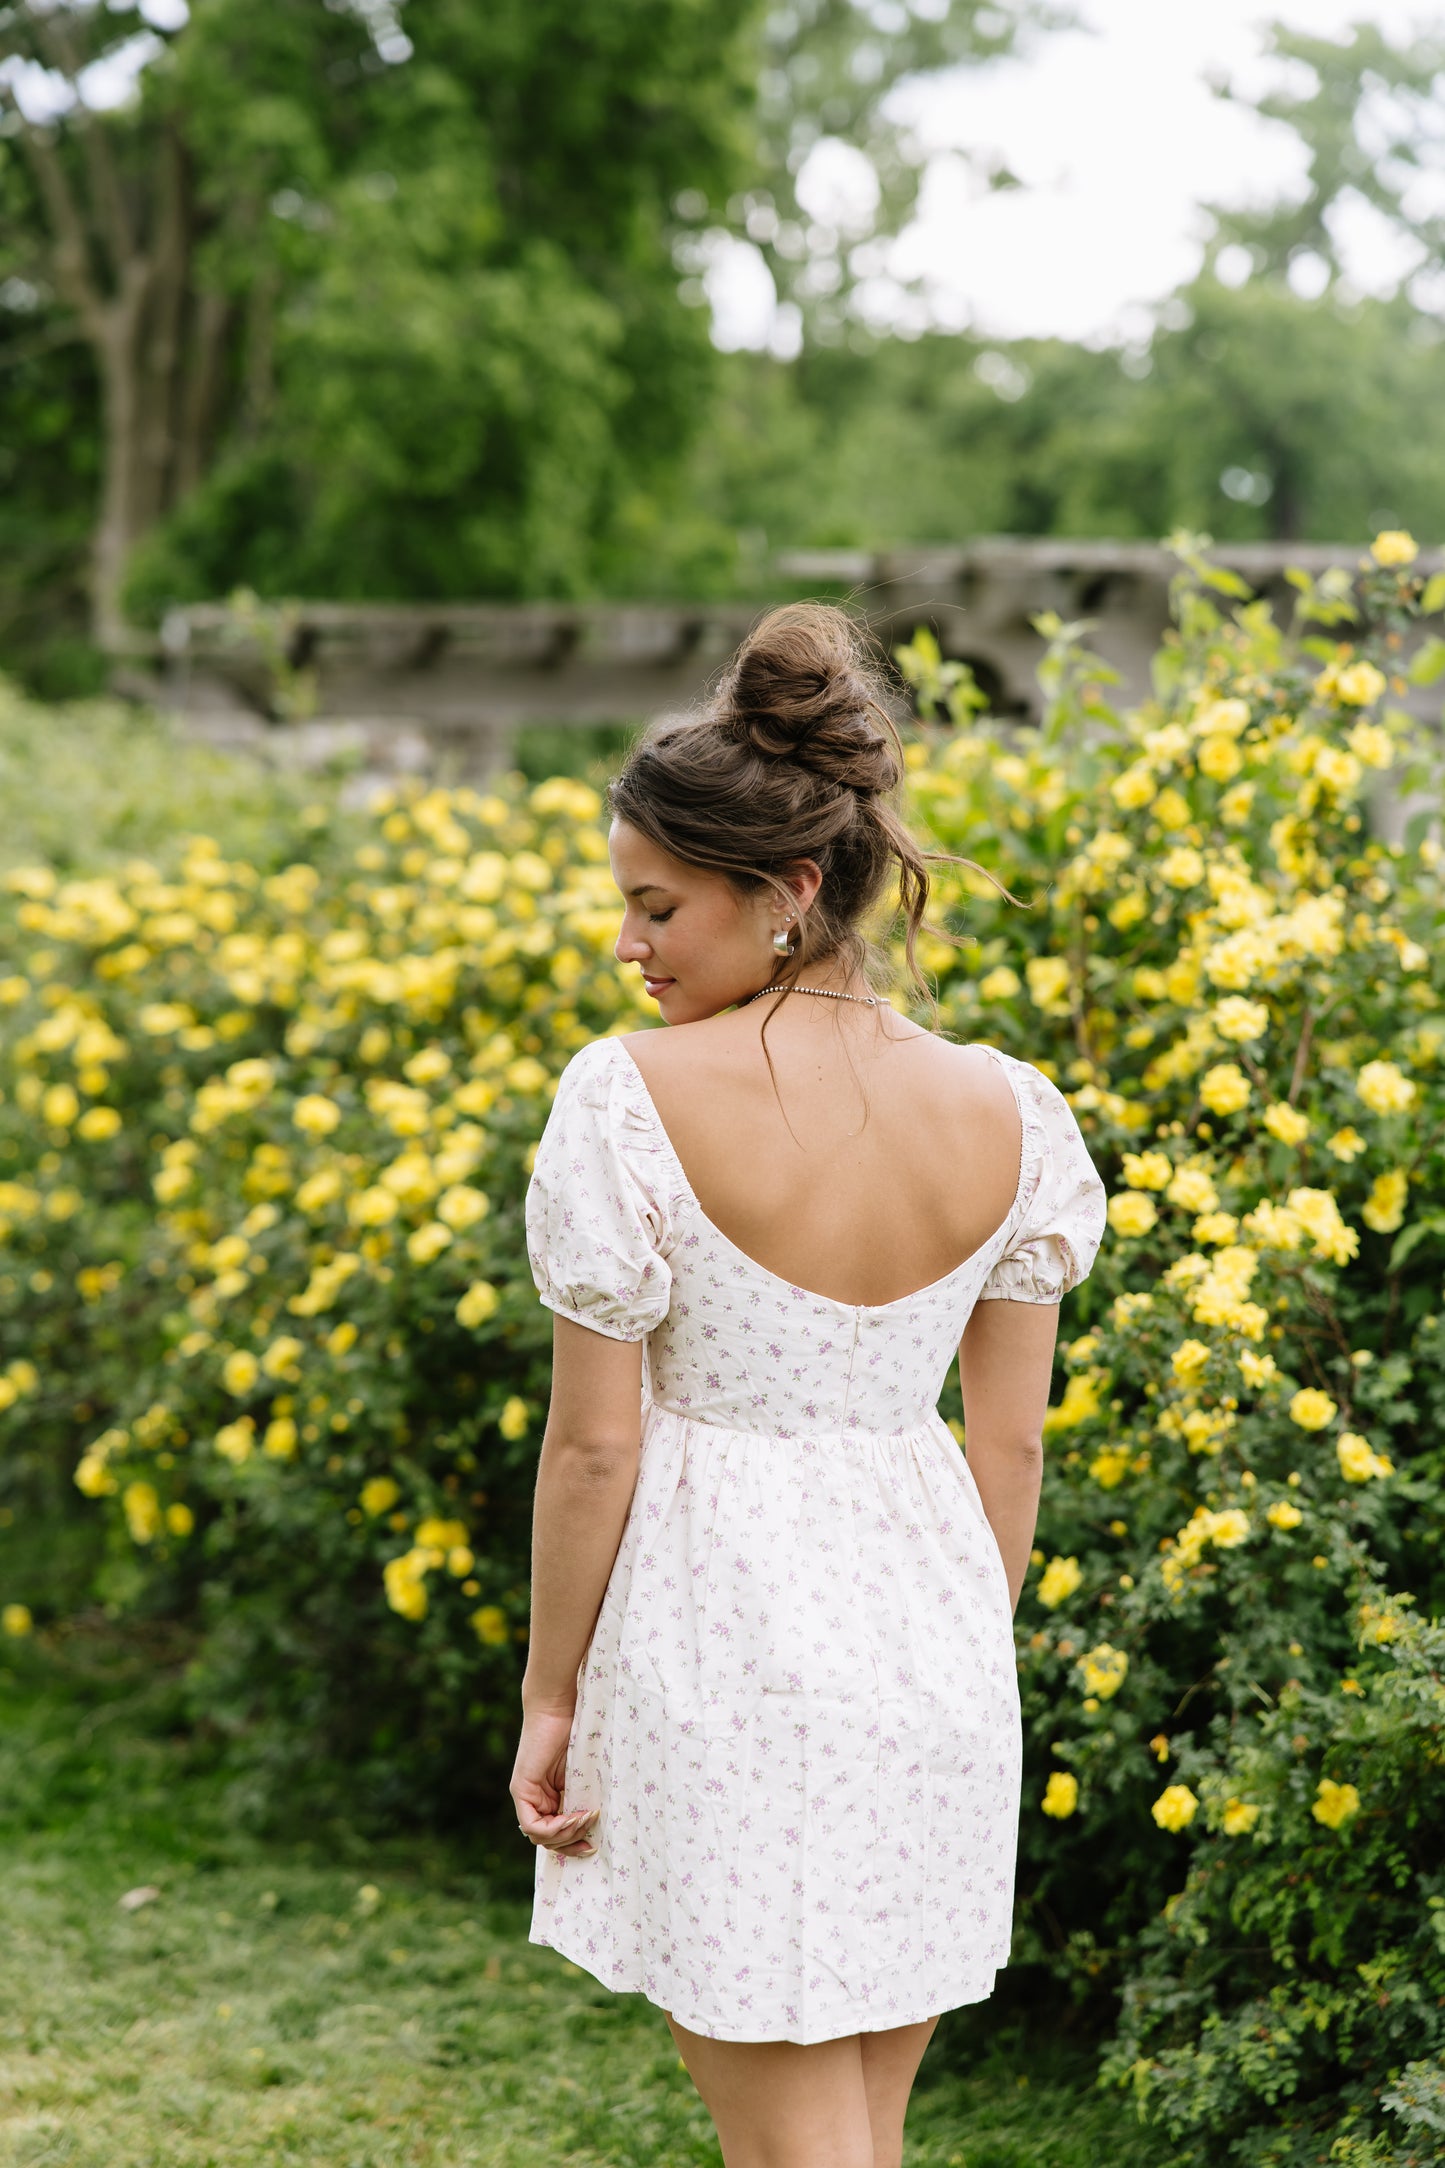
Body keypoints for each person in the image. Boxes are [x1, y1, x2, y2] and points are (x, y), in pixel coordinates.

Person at [509, 602, 1107, 2168]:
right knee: (856, 2136)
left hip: (721, 1641)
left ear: (782, 892)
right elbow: (1011, 1444)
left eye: (656, 909)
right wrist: (951, 1656)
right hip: (936, 1655)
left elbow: (591, 1452)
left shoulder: (624, 1099)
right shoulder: (1013, 1113)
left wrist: (550, 1695)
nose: (627, 947)